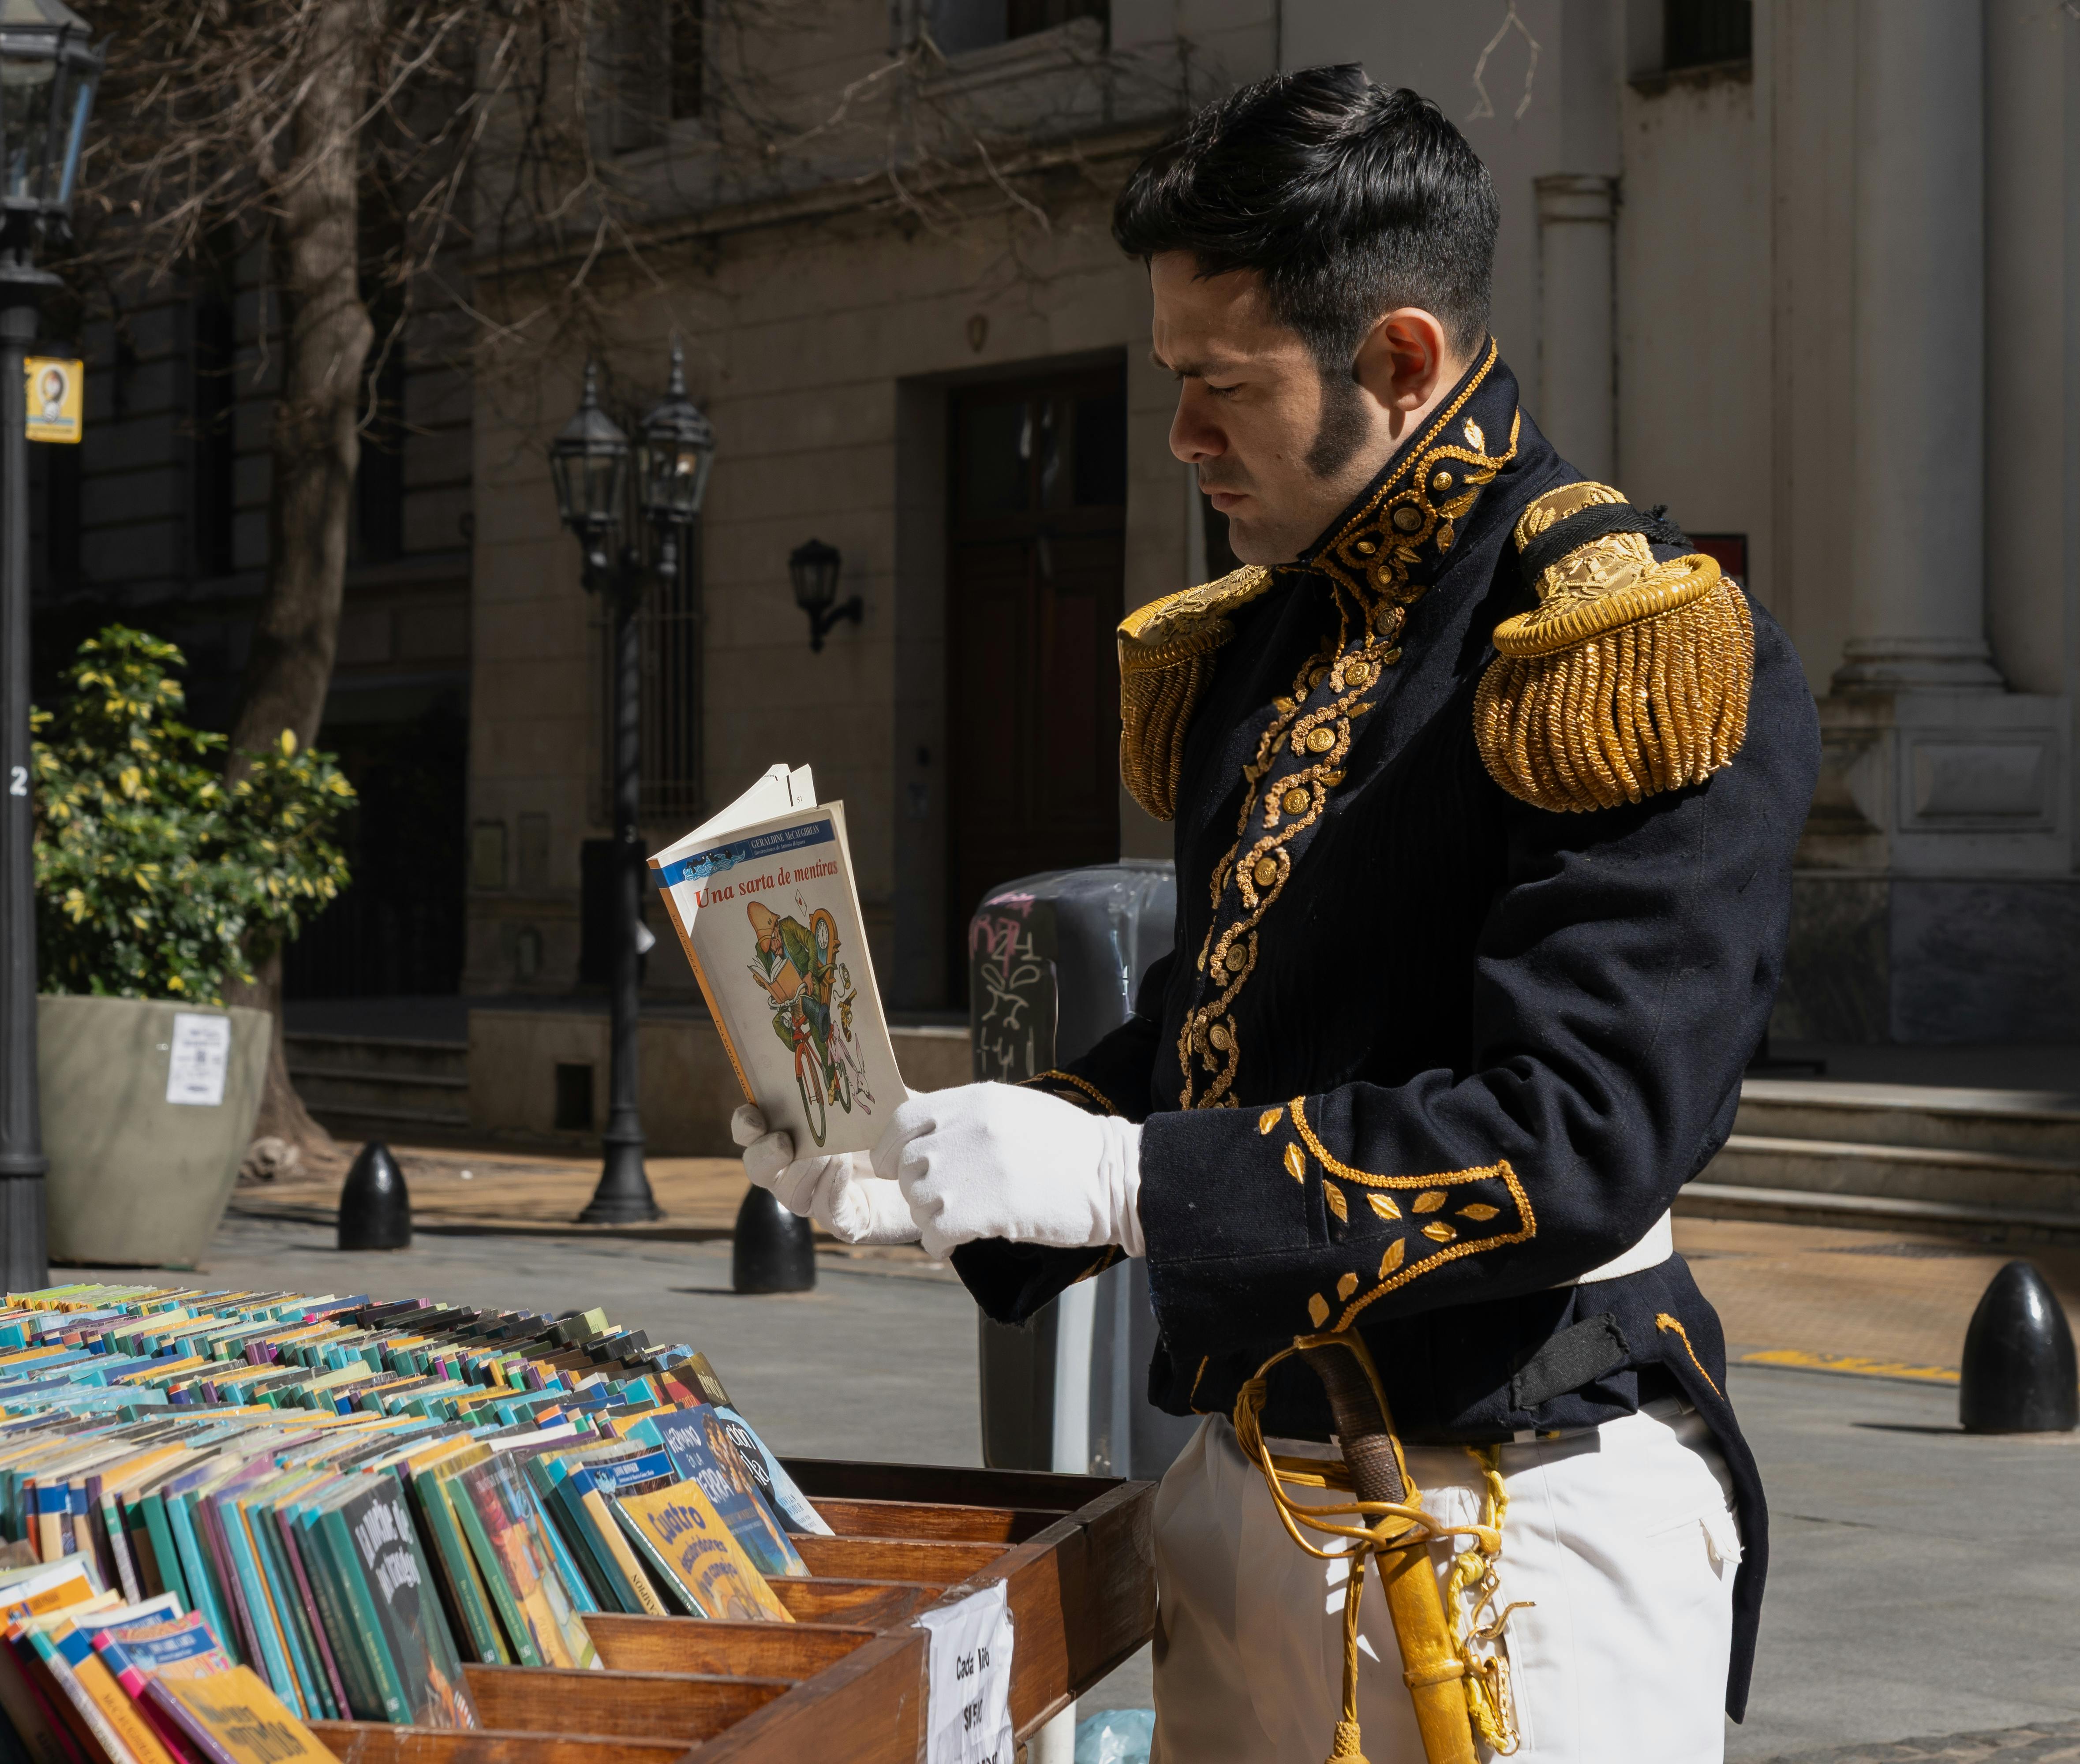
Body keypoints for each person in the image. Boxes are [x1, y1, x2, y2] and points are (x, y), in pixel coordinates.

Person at [733, 65, 1815, 1764]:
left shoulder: (1614, 641)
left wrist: (1118, 1177)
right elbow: (1230, 1027)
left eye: (1221, 386)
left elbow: (1585, 1130)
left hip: (1508, 1527)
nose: (1179, 436)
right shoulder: (1271, 634)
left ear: (1400, 360)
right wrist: (943, 1154)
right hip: (1245, 1495)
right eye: (1175, 380)